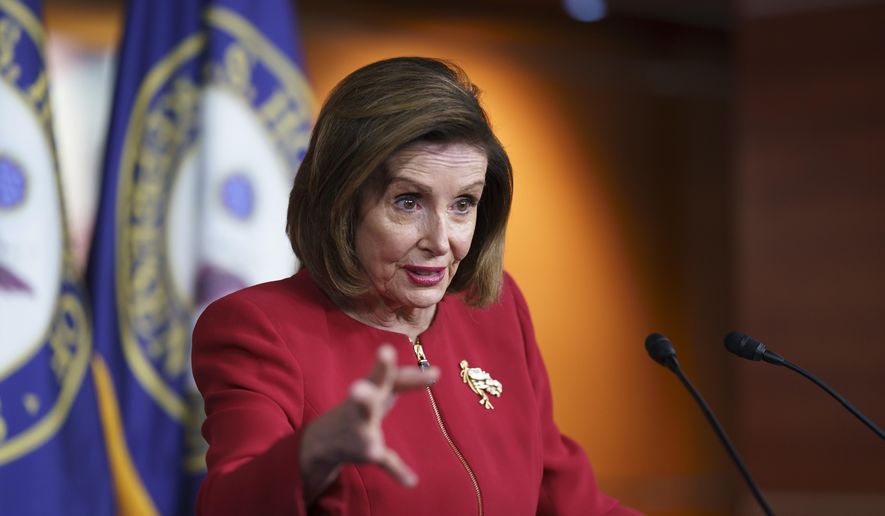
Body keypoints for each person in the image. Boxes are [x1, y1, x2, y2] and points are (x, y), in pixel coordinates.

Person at [192, 56, 640, 515]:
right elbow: (227, 504)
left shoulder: (497, 308)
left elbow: (567, 498)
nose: (441, 241)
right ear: (340, 204)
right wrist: (313, 454)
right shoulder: (257, 329)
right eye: (408, 202)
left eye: (463, 203)